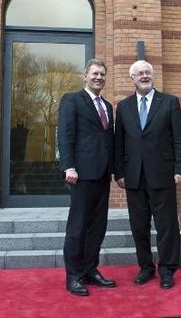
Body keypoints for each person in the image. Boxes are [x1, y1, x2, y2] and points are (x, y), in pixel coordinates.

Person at [114, 60, 181, 289]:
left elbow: (180, 138)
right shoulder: (124, 107)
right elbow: (119, 143)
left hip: (163, 174)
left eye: (147, 72)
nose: (144, 76)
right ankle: (146, 267)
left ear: (153, 75)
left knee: (166, 225)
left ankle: (167, 269)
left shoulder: (169, 103)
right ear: (132, 78)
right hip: (134, 176)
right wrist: (119, 172)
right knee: (139, 226)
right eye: (139, 73)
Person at [57, 59, 115, 296]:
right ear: (85, 76)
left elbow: (108, 139)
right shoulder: (72, 100)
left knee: (98, 227)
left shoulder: (108, 106)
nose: (98, 77)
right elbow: (65, 134)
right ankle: (74, 275)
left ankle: (91, 270)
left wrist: (114, 170)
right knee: (78, 227)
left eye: (102, 74)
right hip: (80, 174)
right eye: (94, 73)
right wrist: (68, 166)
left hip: (103, 175)